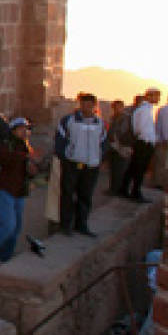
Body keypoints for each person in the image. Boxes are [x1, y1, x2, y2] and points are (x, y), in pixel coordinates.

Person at [0, 118, 38, 258]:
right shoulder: (5, 145)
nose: (25, 131)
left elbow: (29, 170)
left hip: (19, 191)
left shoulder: (25, 147)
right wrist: (25, 157)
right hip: (5, 190)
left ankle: (5, 256)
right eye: (21, 128)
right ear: (13, 130)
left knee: (16, 228)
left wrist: (32, 167)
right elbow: (5, 159)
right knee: (8, 225)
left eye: (27, 128)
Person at [55, 93, 104, 237]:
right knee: (68, 195)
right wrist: (64, 158)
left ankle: (81, 224)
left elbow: (103, 142)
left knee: (85, 196)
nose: (86, 107)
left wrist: (99, 159)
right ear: (79, 104)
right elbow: (60, 139)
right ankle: (66, 225)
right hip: (73, 164)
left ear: (94, 106)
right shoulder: (69, 121)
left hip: (91, 166)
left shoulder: (99, 123)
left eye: (90, 105)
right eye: (84, 104)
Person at [121, 88, 161, 203]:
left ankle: (125, 189)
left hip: (145, 142)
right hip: (143, 142)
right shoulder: (144, 110)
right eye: (156, 96)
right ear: (149, 96)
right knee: (139, 168)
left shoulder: (146, 109)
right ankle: (135, 191)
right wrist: (146, 139)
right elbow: (139, 128)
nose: (158, 99)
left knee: (135, 167)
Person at [105, 100, 131, 195]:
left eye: (118, 107)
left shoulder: (125, 118)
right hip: (113, 146)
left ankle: (117, 190)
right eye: (115, 107)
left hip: (121, 147)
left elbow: (121, 132)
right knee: (114, 169)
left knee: (120, 169)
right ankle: (113, 188)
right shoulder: (114, 118)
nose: (116, 109)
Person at [153, 93, 168, 188]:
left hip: (162, 140)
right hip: (163, 141)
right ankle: (159, 183)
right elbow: (166, 126)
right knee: (162, 163)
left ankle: (160, 182)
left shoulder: (165, 109)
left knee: (162, 163)